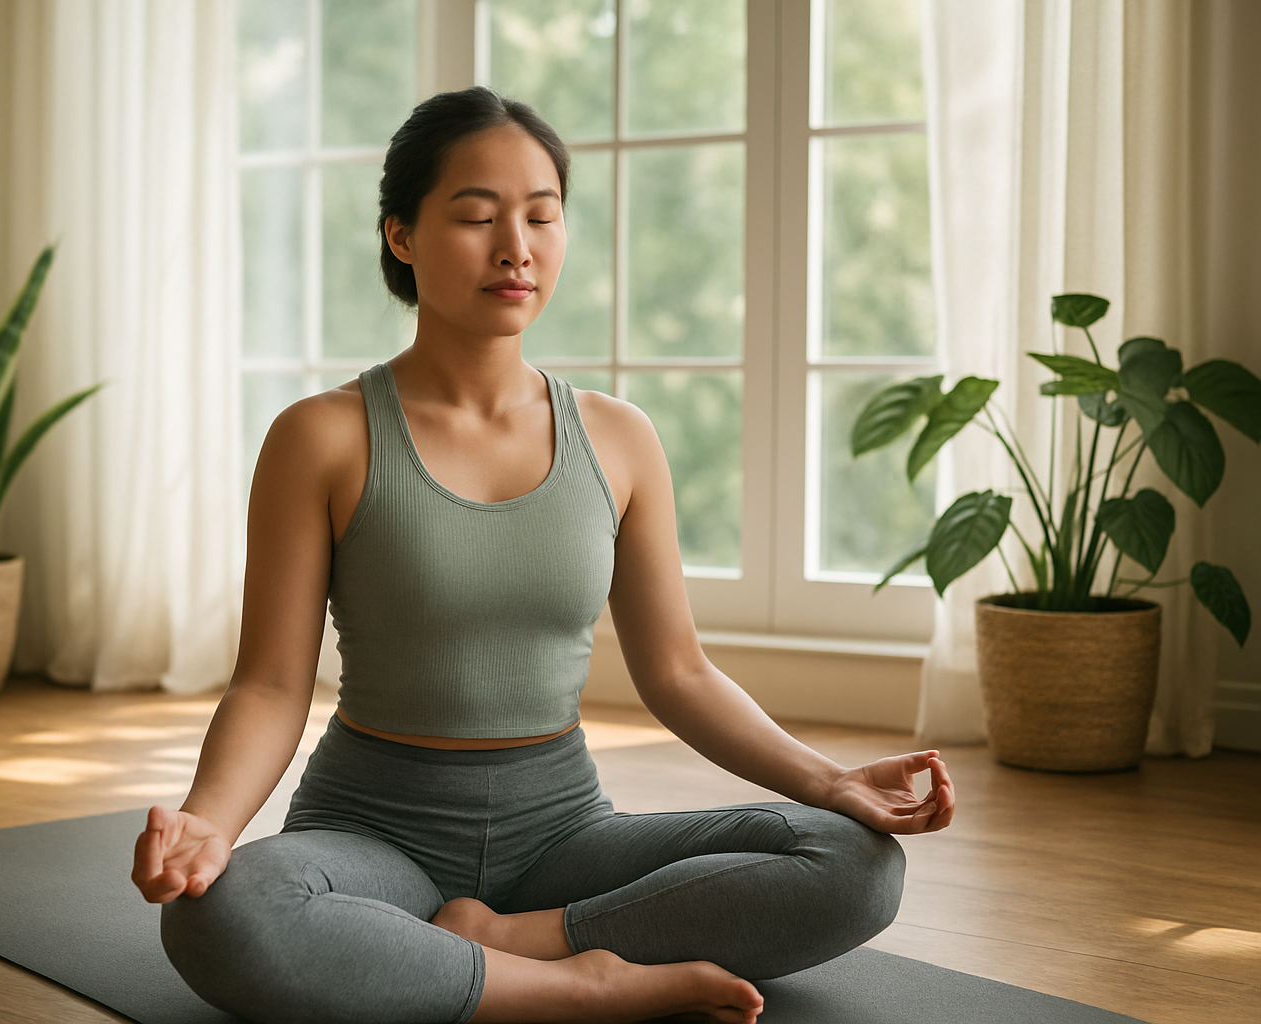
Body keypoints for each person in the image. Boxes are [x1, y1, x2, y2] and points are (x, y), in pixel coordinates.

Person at [132, 87, 956, 1024]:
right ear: (401, 236)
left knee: (853, 862)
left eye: (541, 216)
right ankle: (583, 985)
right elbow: (272, 687)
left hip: (563, 834)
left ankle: (516, 944)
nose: (515, 247)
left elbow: (679, 672)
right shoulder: (321, 437)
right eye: (478, 216)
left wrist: (833, 781)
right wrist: (209, 823)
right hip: (370, 834)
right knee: (223, 915)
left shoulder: (619, 439)